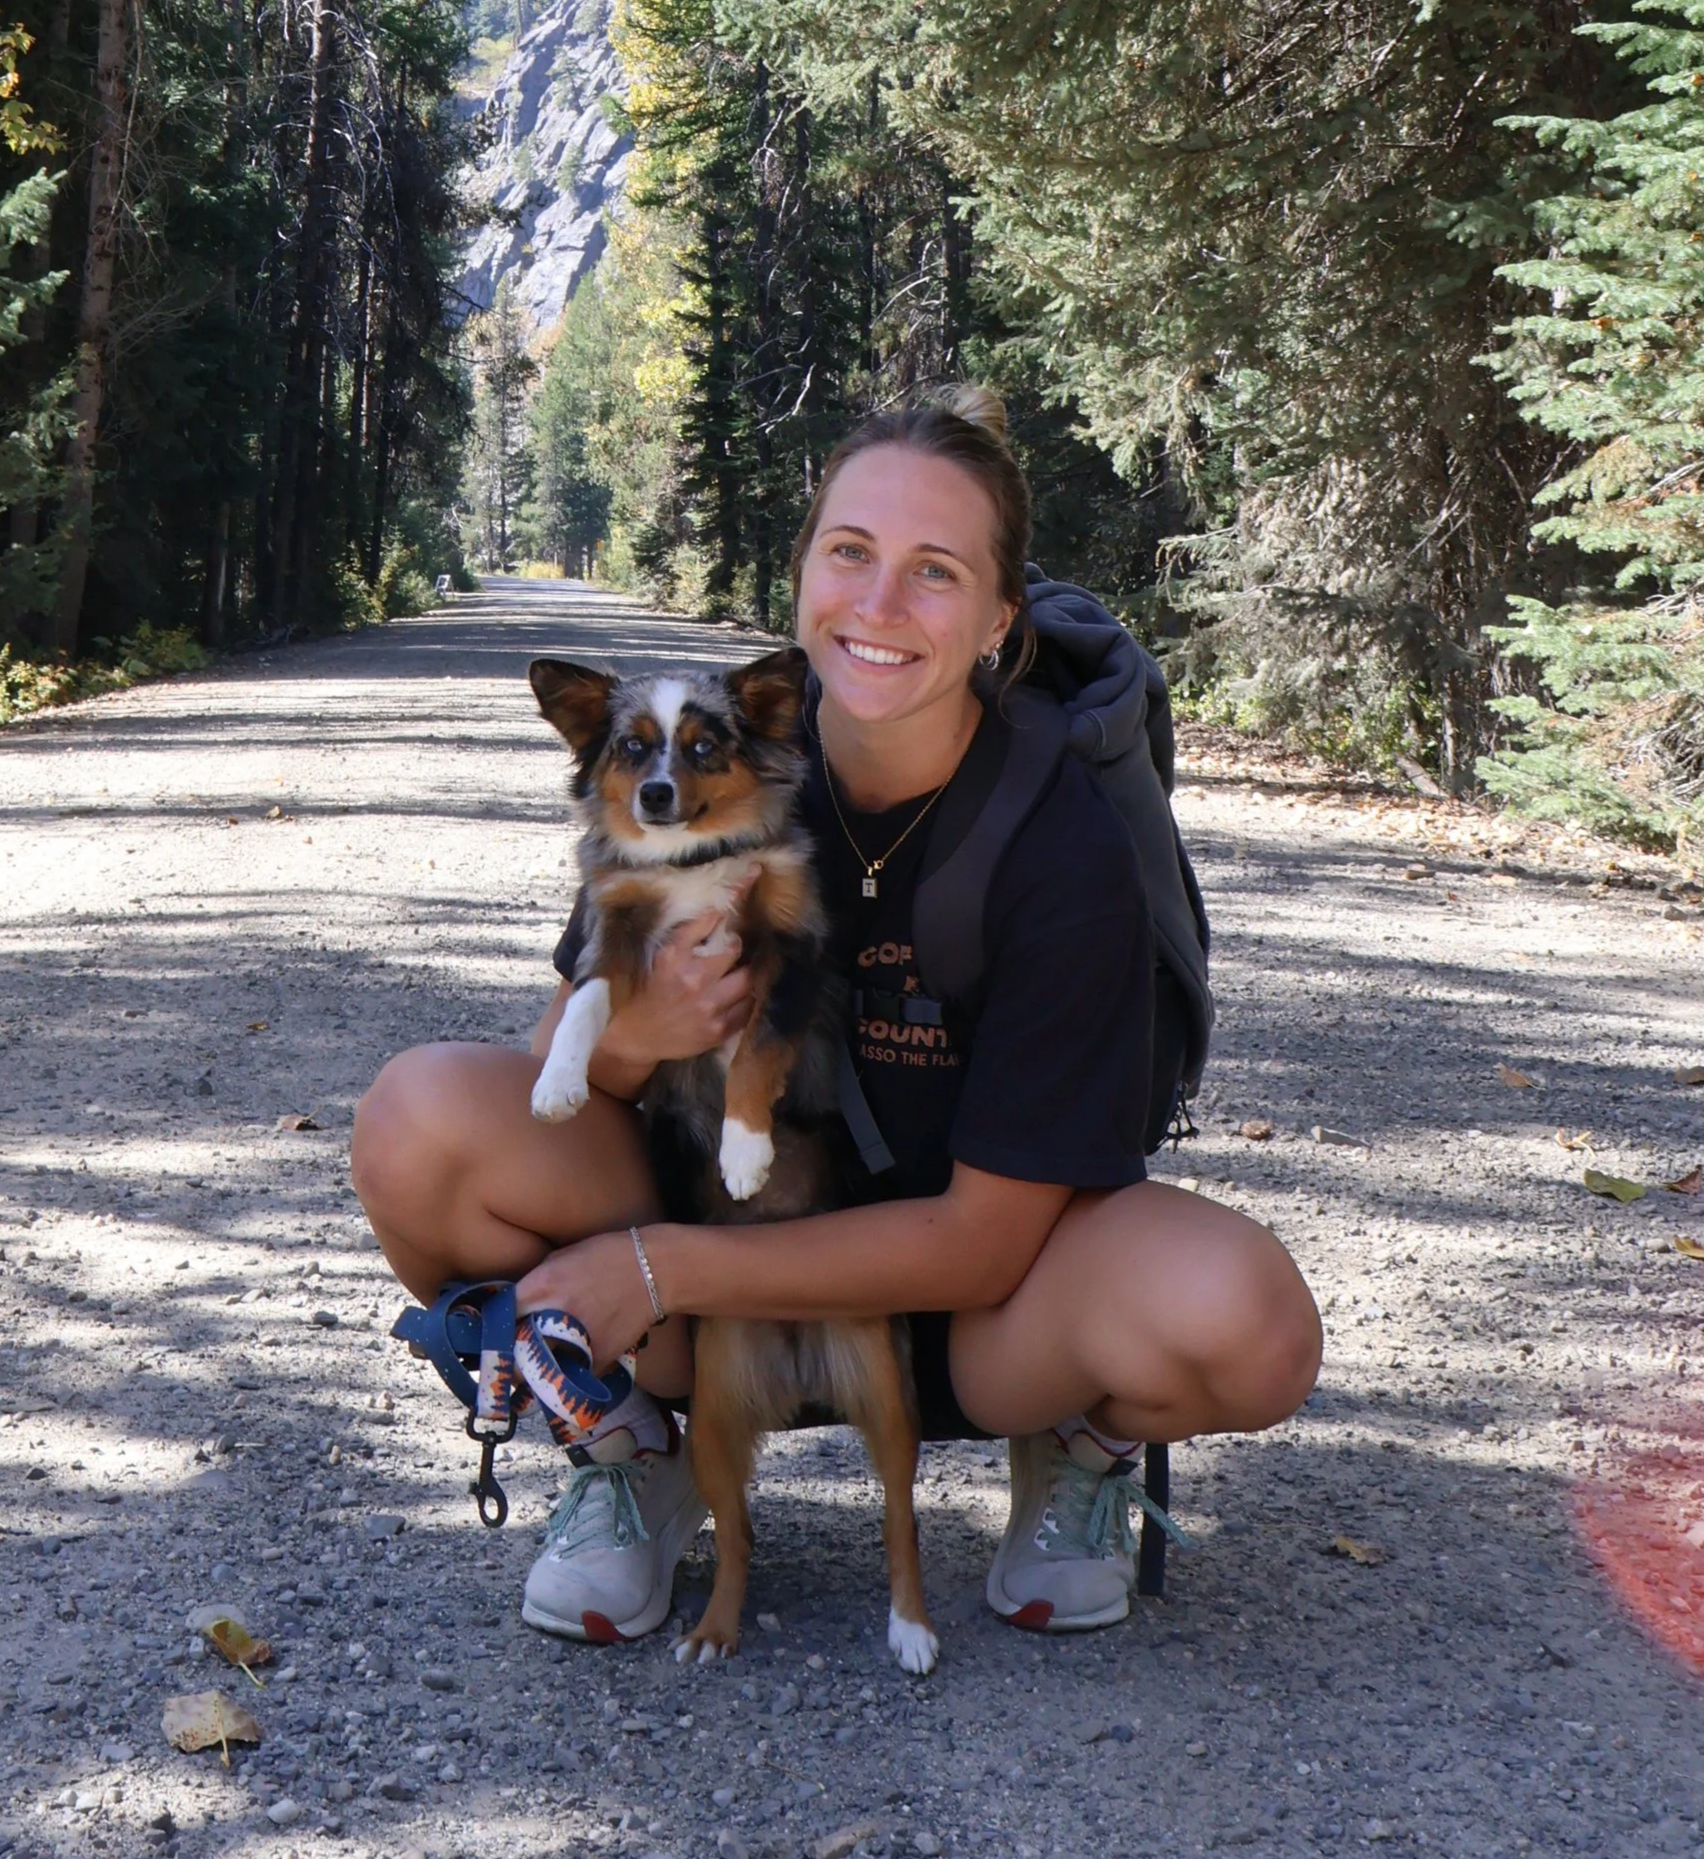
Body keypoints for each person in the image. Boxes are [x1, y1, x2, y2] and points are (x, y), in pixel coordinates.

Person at [352, 387, 1322, 1643]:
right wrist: (645, 1031)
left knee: (1248, 1323)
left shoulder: (1061, 843)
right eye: (850, 552)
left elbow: (982, 1241)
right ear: (802, 566)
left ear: (996, 617)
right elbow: (557, 1059)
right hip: (705, 1304)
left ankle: (1076, 1446)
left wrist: (652, 1268)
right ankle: (635, 1447)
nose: (877, 605)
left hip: (981, 1326)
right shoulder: (714, 750)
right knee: (416, 1122)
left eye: (936, 571)